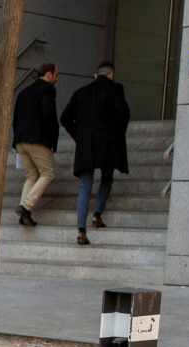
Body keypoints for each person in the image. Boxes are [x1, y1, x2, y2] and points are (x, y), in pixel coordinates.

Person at [61, 61, 131, 246]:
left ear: (96, 74)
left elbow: (65, 118)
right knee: (107, 177)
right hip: (108, 143)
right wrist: (117, 134)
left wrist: (79, 136)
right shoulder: (116, 89)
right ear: (111, 75)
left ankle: (81, 231)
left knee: (85, 185)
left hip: (86, 146)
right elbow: (124, 114)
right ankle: (97, 214)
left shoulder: (81, 92)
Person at [12, 63, 59, 227]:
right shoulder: (48, 89)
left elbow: (15, 119)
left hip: (20, 140)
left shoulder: (23, 93)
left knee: (31, 176)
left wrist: (17, 139)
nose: (57, 78)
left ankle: (24, 214)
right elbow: (49, 116)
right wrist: (52, 140)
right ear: (49, 75)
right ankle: (25, 207)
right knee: (48, 173)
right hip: (38, 139)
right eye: (56, 74)